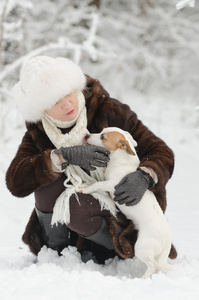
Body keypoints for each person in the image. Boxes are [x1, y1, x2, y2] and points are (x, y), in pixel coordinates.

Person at [6, 56, 177, 263]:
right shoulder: (39, 132)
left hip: (122, 207)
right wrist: (61, 157)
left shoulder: (109, 111)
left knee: (76, 206)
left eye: (67, 92)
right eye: (54, 101)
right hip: (69, 220)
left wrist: (145, 176)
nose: (66, 103)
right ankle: (57, 254)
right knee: (44, 175)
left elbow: (160, 151)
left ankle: (119, 249)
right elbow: (16, 181)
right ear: (41, 108)